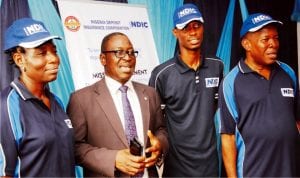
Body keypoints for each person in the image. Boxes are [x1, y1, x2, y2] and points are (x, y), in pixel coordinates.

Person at [67, 32, 168, 177]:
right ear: (103, 58)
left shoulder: (150, 94)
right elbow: (74, 147)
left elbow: (161, 130)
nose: (127, 58)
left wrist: (160, 145)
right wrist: (113, 159)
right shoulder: (81, 99)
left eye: (131, 52)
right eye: (119, 52)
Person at [218, 13, 300, 177]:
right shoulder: (231, 82)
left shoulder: (288, 73)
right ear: (247, 44)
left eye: (275, 38)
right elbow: (228, 137)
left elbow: (297, 120)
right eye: (265, 39)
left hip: (290, 171)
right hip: (254, 172)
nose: (273, 44)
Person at [148, 3, 223, 177]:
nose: (193, 32)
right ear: (176, 32)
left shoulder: (217, 65)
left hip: (210, 164)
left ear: (203, 28)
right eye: (186, 28)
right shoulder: (161, 74)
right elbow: (155, 123)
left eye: (197, 26)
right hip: (177, 167)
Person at [0, 18, 75, 177]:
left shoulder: (57, 102)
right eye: (42, 53)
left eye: (54, 51)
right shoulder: (6, 106)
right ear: (19, 60)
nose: (54, 59)